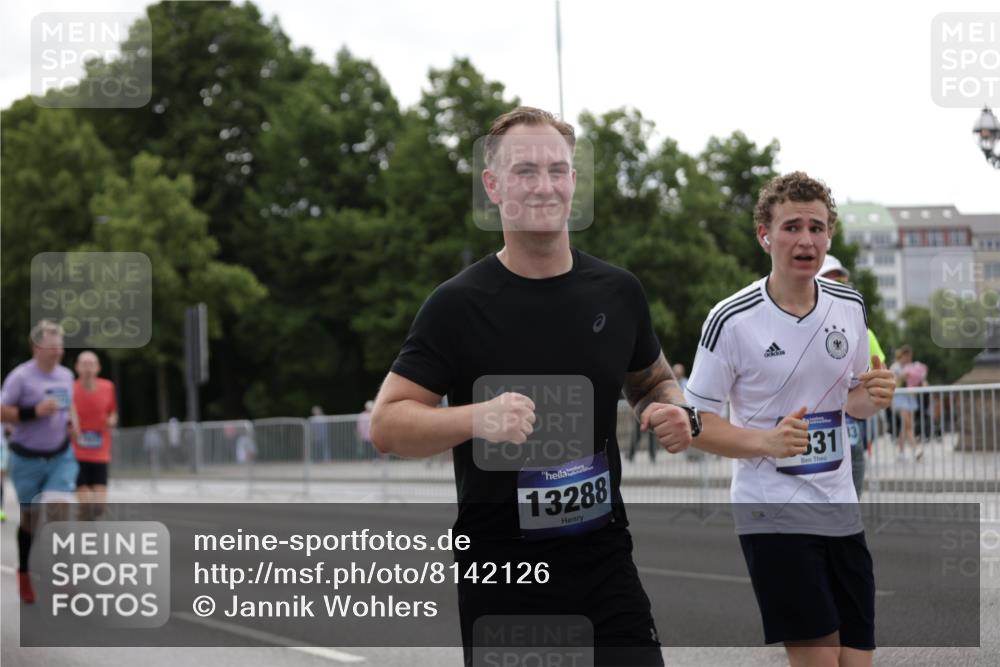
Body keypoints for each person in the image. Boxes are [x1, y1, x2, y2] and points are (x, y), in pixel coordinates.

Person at [371, 106, 696, 666]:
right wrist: (476, 418)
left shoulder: (618, 292)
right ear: (493, 187)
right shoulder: (458, 305)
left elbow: (653, 380)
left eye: (557, 169)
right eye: (525, 171)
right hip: (505, 567)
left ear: (573, 180)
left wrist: (671, 407)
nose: (544, 185)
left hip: (604, 557)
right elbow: (387, 425)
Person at [670, 172, 894, 666]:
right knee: (818, 659)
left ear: (829, 236)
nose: (805, 239)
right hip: (771, 511)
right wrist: (767, 442)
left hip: (840, 507)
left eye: (816, 227)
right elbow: (695, 422)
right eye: (791, 226)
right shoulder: (732, 320)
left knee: (856, 660)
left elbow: (851, 400)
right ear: (764, 235)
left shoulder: (849, 306)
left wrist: (874, 396)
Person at [0, 320, 81, 604]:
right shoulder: (20, 377)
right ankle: (24, 575)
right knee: (31, 521)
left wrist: (73, 422)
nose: (57, 352)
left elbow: (70, 406)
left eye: (60, 346)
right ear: (36, 347)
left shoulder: (67, 375)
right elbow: (2, 412)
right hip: (26, 458)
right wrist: (33, 411)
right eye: (52, 346)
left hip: (61, 455)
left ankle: (64, 577)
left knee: (59, 512)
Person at [818, 256, 886, 498]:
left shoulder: (861, 330)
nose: (838, 288)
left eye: (841, 282)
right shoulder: (790, 327)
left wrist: (881, 388)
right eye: (829, 281)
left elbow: (878, 374)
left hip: (849, 431)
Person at [72, 350, 118, 520]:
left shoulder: (108, 387)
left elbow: (113, 412)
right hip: (77, 453)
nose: (88, 368)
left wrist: (112, 420)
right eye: (84, 364)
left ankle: (84, 524)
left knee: (98, 508)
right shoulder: (70, 388)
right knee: (85, 506)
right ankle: (83, 539)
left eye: (91, 364)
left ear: (98, 367)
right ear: (77, 367)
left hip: (100, 453)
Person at [890, 344, 927, 461]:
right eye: (908, 356)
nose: (910, 359)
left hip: (910, 398)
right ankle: (916, 450)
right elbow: (892, 382)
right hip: (899, 398)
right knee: (908, 426)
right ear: (904, 355)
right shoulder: (895, 367)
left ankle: (901, 453)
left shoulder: (912, 366)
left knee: (906, 427)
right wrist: (902, 376)